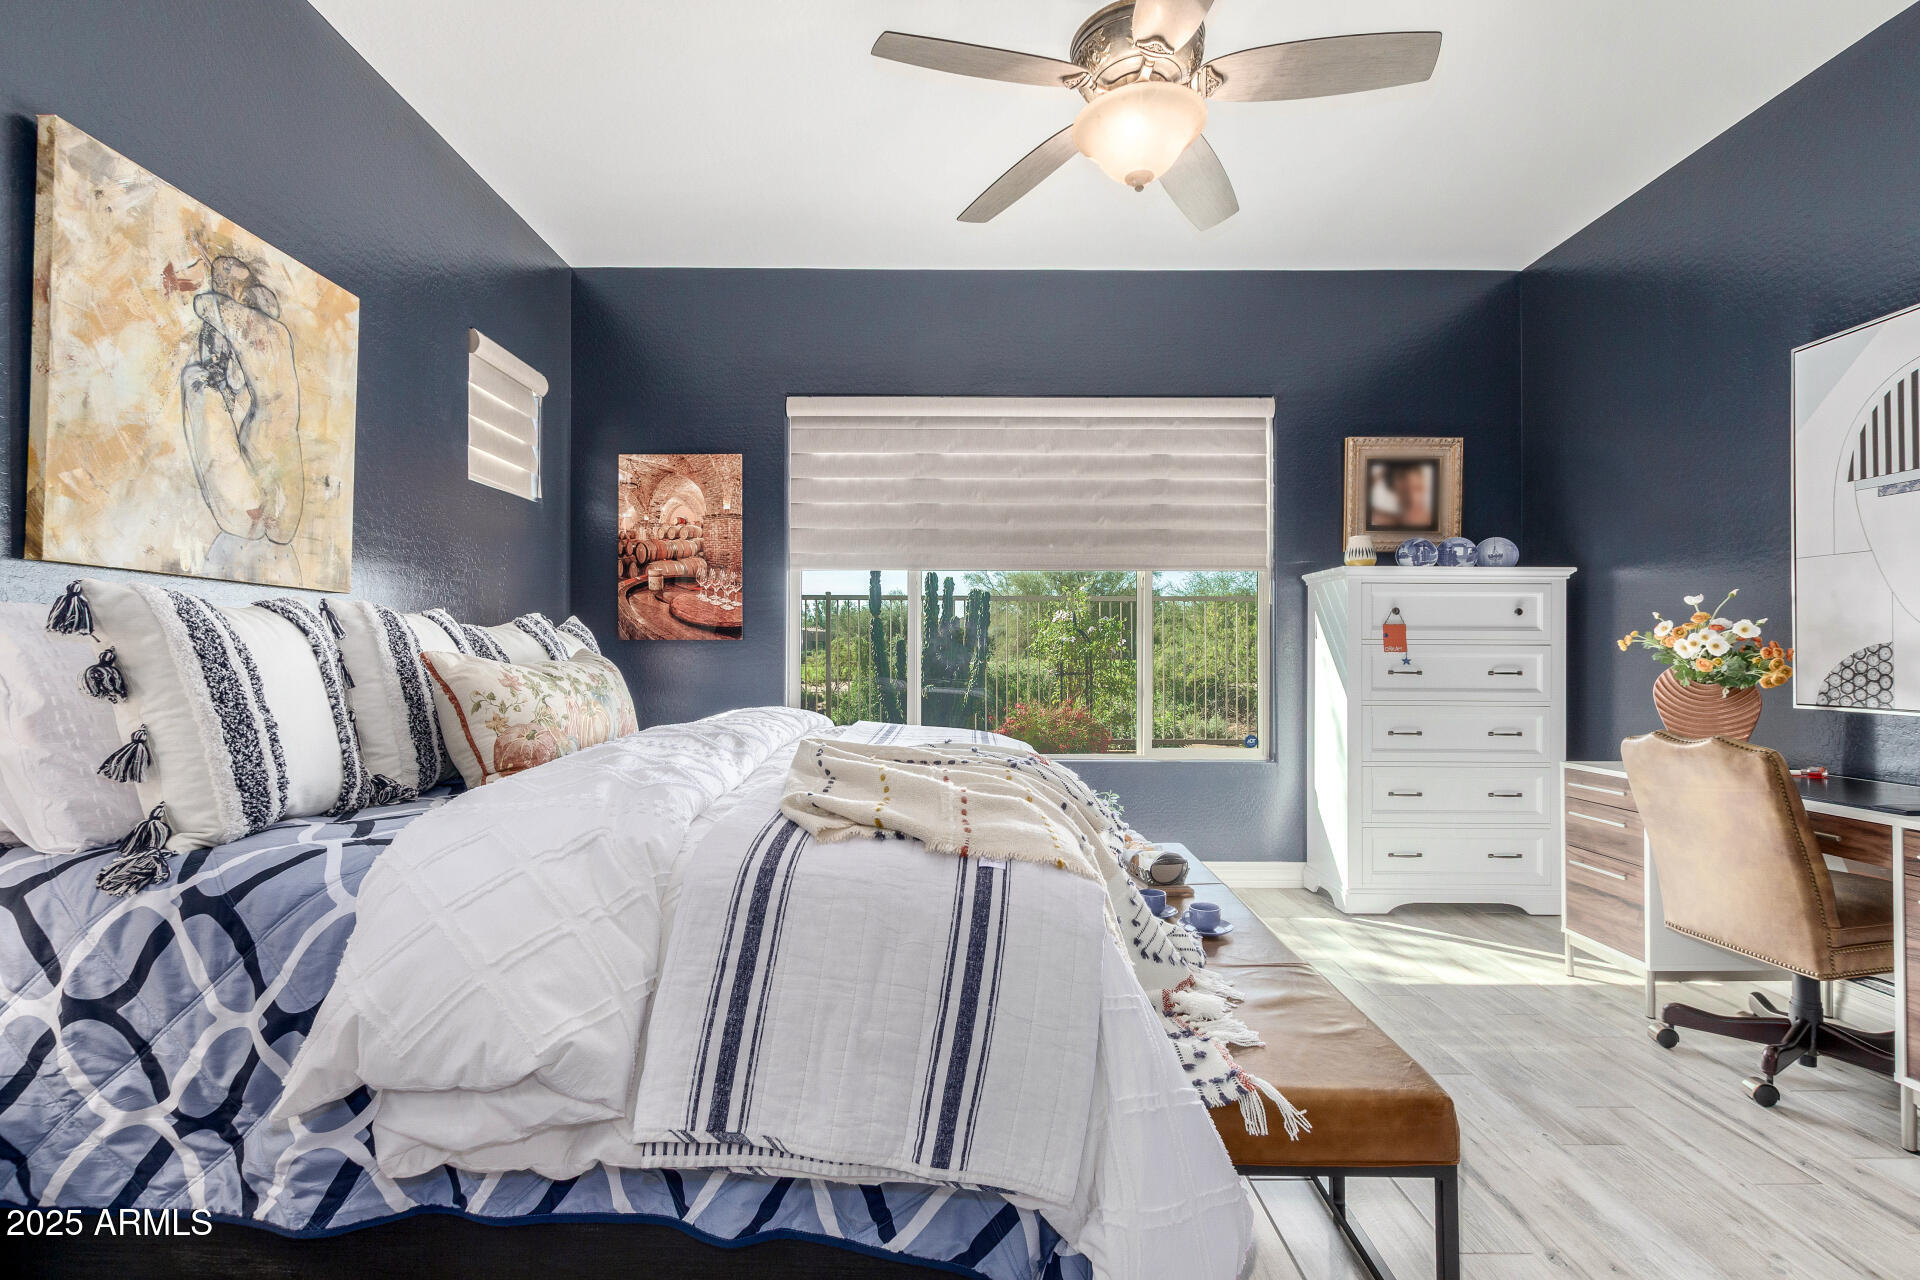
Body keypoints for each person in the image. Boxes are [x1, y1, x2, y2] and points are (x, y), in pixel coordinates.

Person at [180, 249, 304, 582]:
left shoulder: (244, 322)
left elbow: (203, 306)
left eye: (231, 277)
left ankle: (248, 508)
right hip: (282, 478)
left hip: (252, 496)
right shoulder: (280, 337)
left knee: (197, 383)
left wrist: (221, 290)